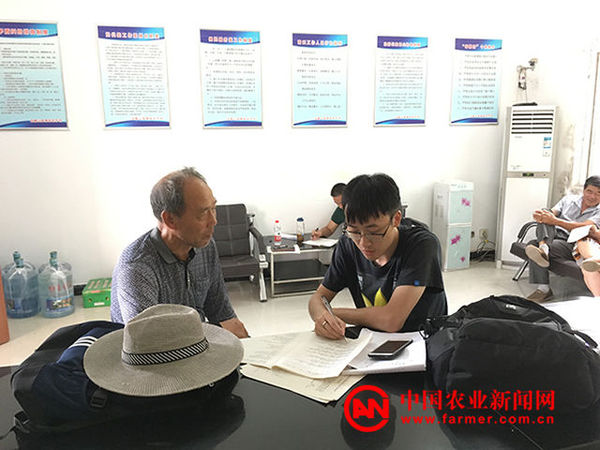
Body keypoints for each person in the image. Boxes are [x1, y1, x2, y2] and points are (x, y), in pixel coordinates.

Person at [111, 167, 249, 338]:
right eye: (202, 213)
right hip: (156, 351)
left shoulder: (205, 246)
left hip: (197, 341)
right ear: (170, 219)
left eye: (213, 208)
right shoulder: (136, 267)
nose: (214, 221)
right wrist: (215, 335)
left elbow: (223, 315)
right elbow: (148, 341)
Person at [308, 173, 447, 339]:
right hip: (374, 339)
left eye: (373, 232)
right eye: (354, 231)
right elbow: (318, 298)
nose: (363, 243)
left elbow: (391, 320)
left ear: (396, 219)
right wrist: (323, 318)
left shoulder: (421, 245)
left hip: (422, 341)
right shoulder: (348, 245)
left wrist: (333, 313)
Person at [524, 175, 600, 302]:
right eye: (589, 191)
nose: (592, 196)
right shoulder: (568, 200)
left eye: (598, 194)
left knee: (533, 244)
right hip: (553, 234)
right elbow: (551, 213)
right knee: (545, 211)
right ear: (583, 190)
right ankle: (543, 248)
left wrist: (555, 221)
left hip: (573, 241)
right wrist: (541, 215)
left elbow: (585, 227)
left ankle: (543, 289)